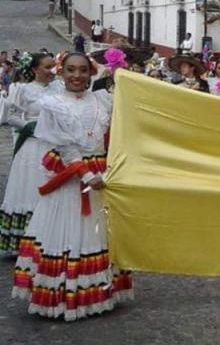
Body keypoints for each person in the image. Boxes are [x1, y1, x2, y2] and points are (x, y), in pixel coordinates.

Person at [13, 53, 134, 320]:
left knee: (99, 231)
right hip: (72, 179)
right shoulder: (53, 104)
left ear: (91, 73)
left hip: (101, 172)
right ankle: (63, 293)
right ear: (61, 72)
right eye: (70, 70)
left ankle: (98, 290)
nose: (76, 76)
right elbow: (66, 148)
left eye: (82, 70)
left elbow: (125, 120)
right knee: (68, 230)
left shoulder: (103, 100)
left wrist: (117, 73)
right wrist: (87, 175)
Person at [0, 53, 61, 255]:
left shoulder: (60, 87)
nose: (52, 70)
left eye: (53, 66)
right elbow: (10, 116)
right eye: (47, 66)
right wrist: (31, 126)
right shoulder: (22, 89)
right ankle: (27, 239)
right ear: (35, 69)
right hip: (34, 147)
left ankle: (53, 236)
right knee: (32, 187)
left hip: (57, 146)